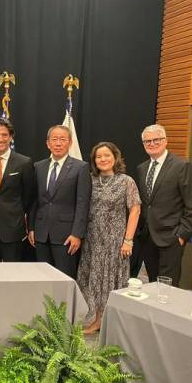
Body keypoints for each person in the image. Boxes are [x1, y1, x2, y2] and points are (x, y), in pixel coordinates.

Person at [77, 142, 141, 334]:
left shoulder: (126, 181)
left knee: (110, 281)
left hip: (114, 241)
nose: (103, 159)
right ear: (94, 160)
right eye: (98, 157)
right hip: (92, 239)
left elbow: (135, 209)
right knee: (93, 280)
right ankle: (97, 319)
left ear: (115, 157)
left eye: (106, 155)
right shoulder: (89, 180)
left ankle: (107, 322)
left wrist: (128, 240)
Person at [134, 124, 192, 286]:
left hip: (171, 238)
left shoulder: (182, 167)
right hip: (147, 238)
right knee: (151, 283)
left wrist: (181, 236)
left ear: (166, 141)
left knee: (168, 287)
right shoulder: (141, 168)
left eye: (156, 139)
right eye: (147, 141)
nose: (151, 144)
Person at [29, 125, 91, 278]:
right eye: (54, 139)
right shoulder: (38, 167)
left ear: (70, 143)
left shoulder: (80, 167)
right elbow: (34, 200)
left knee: (64, 278)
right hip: (41, 233)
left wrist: (77, 234)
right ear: (48, 143)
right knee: (42, 277)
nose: (58, 143)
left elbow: (83, 204)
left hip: (66, 236)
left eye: (63, 139)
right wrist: (31, 228)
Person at [0, 117, 35, 262]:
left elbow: (29, 197)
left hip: (13, 226)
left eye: (4, 135)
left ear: (11, 137)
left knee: (12, 273)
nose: (0, 139)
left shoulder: (24, 162)